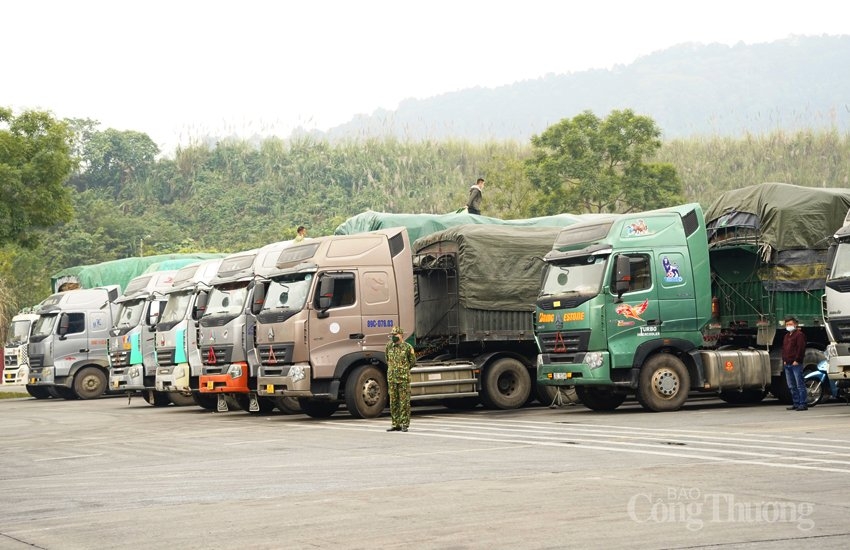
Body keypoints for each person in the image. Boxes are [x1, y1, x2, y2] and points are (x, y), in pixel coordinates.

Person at [385, 326, 415, 432]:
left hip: (403, 379)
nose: (393, 337)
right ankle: (395, 424)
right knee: (393, 401)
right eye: (392, 335)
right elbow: (387, 359)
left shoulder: (407, 347)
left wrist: (404, 369)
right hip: (392, 378)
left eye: (395, 335)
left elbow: (412, 361)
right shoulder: (389, 347)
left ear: (401, 335)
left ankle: (404, 424)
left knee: (404, 402)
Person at [782, 316, 807, 411]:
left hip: (796, 363)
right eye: (787, 324)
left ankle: (803, 403)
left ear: (795, 324)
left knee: (799, 384)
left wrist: (797, 360)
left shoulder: (799, 335)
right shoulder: (786, 336)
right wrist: (784, 360)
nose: (788, 326)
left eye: (790, 324)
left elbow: (801, 348)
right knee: (791, 385)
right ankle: (796, 403)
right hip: (787, 363)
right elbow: (784, 349)